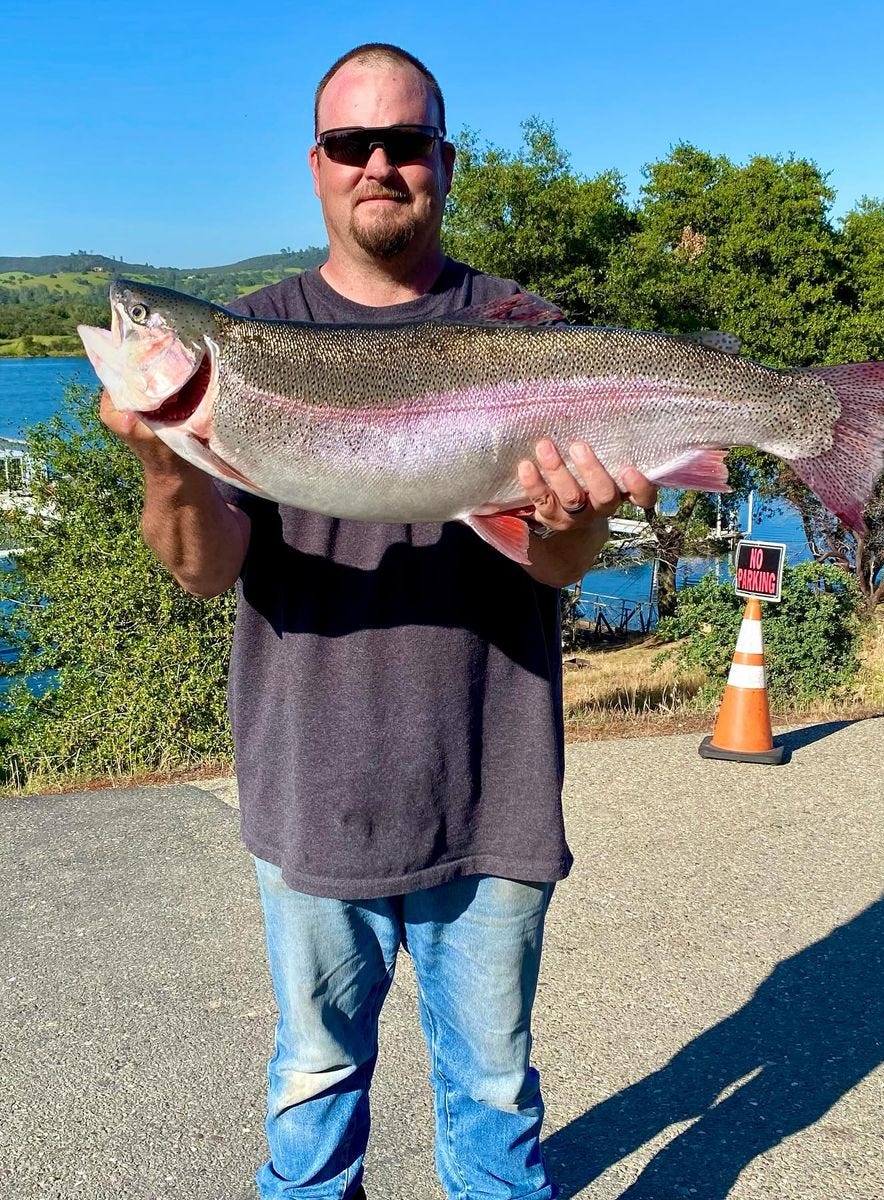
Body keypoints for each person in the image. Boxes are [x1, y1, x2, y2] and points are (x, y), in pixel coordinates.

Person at [100, 42, 656, 1200]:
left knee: (496, 1106)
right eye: (353, 144)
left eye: (406, 142)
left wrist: (570, 519)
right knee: (312, 1099)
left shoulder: (519, 327)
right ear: (316, 166)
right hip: (312, 786)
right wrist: (168, 461)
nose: (380, 165)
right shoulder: (249, 338)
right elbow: (207, 573)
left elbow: (560, 560)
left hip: (491, 776)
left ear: (444, 163)